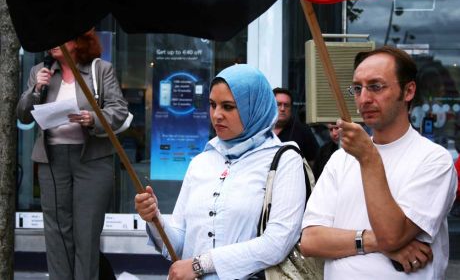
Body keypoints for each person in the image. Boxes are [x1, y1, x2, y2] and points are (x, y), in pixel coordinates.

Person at [135, 64, 306, 279]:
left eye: (228, 107)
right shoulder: (201, 161)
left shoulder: (284, 159)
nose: (217, 115)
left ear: (254, 107)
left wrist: (200, 264)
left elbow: (277, 242)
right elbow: (178, 244)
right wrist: (154, 218)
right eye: (212, 105)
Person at [300, 46, 457, 279]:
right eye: (357, 88)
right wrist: (372, 241)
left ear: (408, 91)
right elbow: (311, 241)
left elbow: (392, 235)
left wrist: (369, 157)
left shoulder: (433, 160)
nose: (364, 98)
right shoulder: (341, 158)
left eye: (376, 86)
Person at [17, 29, 129, 280]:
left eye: (62, 38)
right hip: (52, 161)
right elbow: (23, 114)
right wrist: (36, 89)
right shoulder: (40, 71)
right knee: (56, 233)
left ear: (79, 42)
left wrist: (93, 119)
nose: (53, 44)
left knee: (86, 233)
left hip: (92, 160)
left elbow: (118, 110)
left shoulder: (101, 70)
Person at [272, 87, 319, 166]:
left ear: (291, 108)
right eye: (278, 104)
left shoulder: (303, 132)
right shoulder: (261, 130)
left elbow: (314, 163)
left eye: (286, 105)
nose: (282, 109)